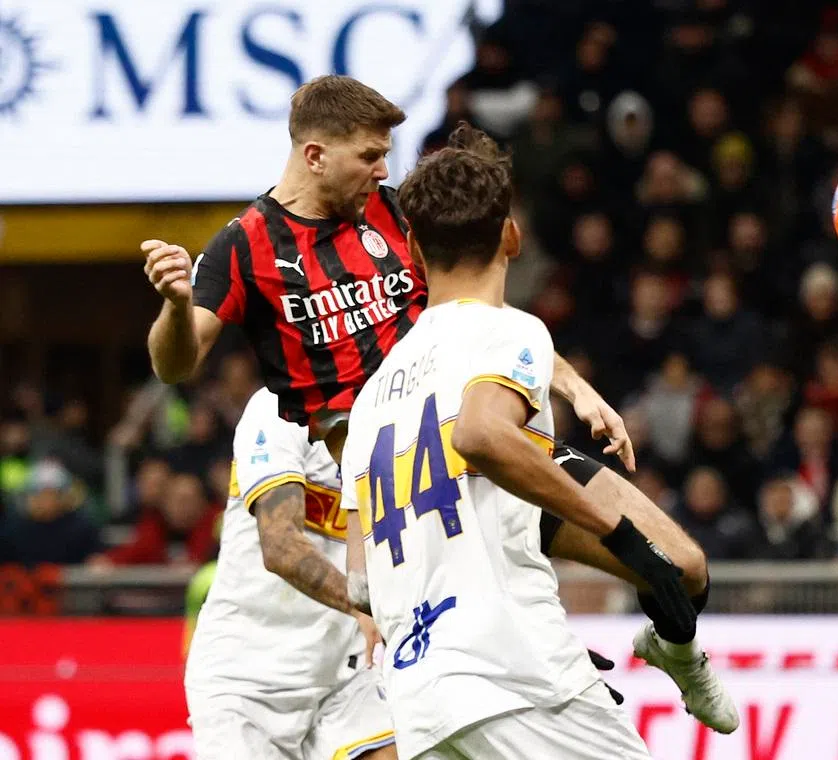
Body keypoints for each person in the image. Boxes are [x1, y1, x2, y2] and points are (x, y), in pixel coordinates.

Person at [142, 75, 730, 730]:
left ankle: (675, 650)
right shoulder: (242, 248)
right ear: (315, 156)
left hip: (491, 442)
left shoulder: (395, 214)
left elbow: (482, 308)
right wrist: (172, 304)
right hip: (408, 485)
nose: (383, 169)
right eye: (368, 156)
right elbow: (176, 363)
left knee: (683, 564)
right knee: (498, 669)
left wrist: (572, 385)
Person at [340, 123, 713, 760]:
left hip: (422, 699)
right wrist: (614, 531)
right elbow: (481, 434)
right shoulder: (510, 330)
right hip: (515, 678)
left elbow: (360, 584)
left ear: (412, 246)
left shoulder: (373, 397)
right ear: (512, 235)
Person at [183, 388, 394, 760]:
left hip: (343, 671)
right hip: (246, 680)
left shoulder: (387, 411)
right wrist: (363, 607)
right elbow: (280, 547)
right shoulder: (277, 408)